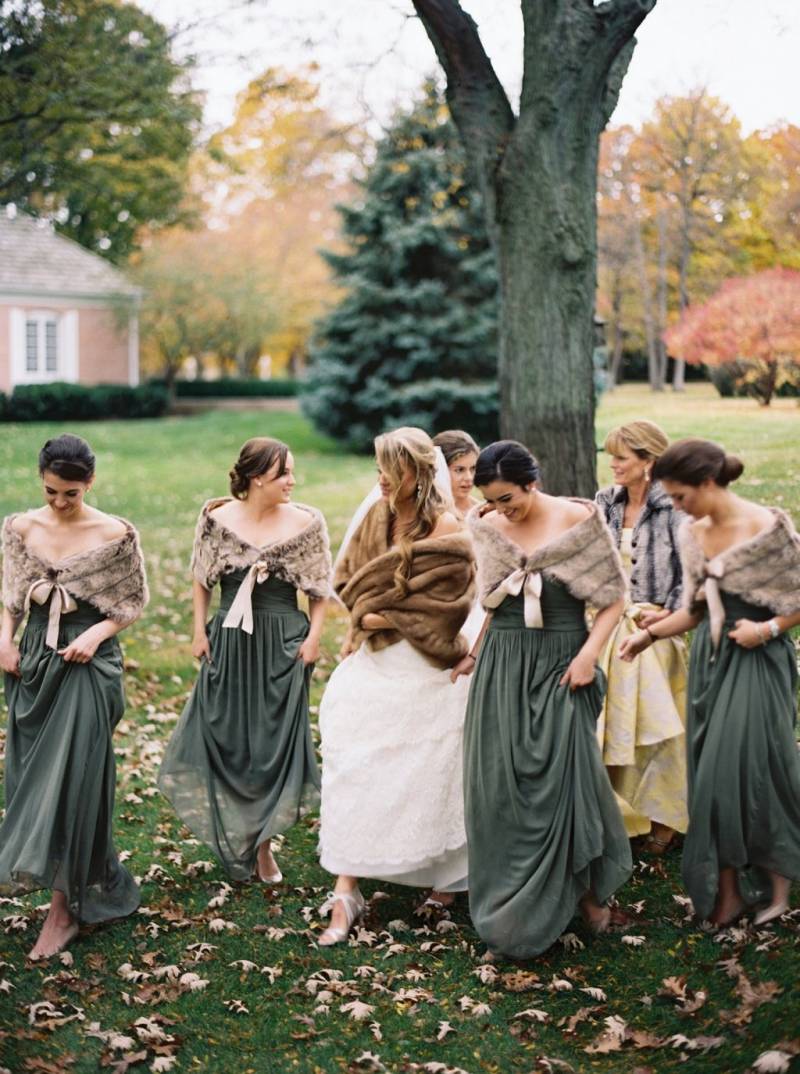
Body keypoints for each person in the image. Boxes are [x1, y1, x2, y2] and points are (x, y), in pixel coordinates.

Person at [454, 440, 632, 959]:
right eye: (492, 499)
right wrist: (475, 653)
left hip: (561, 661)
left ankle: (588, 896)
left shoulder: (580, 521)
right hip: (503, 664)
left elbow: (614, 597)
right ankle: (510, 911)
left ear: (532, 482)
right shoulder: (487, 526)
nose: (501, 509)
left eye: (509, 498)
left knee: (564, 777)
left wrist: (588, 656)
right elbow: (490, 600)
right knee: (500, 785)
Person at [620, 438, 800, 926]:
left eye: (680, 496)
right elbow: (694, 611)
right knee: (707, 779)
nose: (676, 507)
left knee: (753, 771)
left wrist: (766, 629)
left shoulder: (767, 526)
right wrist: (648, 637)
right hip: (712, 662)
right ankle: (728, 894)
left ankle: (777, 885)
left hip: (758, 660)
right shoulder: (692, 532)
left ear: (707, 482)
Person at [317, 427, 475, 945]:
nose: (381, 479)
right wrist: (370, 616)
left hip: (426, 663)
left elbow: (445, 605)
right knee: (357, 762)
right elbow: (352, 582)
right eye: (379, 468)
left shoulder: (448, 525)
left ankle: (441, 877)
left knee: (429, 766)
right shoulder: (375, 516)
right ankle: (346, 889)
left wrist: (385, 615)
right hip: (375, 659)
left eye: (391, 469)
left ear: (416, 473)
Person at [158, 438, 331, 884]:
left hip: (282, 642)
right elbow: (201, 577)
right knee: (232, 738)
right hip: (230, 638)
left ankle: (263, 845)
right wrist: (199, 630)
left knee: (269, 743)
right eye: (284, 474)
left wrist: (313, 638)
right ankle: (243, 834)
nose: (293, 481)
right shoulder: (215, 518)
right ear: (257, 479)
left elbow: (318, 589)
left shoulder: (306, 523)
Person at [0, 434, 147, 959]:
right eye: (51, 491)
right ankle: (85, 878)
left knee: (75, 780)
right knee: (34, 780)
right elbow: (11, 597)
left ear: (89, 484)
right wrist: (4, 639)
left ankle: (63, 913)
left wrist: (95, 634)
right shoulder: (20, 527)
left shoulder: (114, 534)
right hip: (35, 665)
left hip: (88, 665)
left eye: (71, 494)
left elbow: (131, 604)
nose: (60, 503)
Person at [595, 420, 688, 853]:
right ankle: (616, 807)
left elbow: (692, 575)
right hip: (609, 618)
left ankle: (665, 813)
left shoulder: (675, 507)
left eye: (622, 457)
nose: (612, 464)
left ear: (649, 462)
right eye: (611, 455)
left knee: (647, 679)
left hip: (661, 622)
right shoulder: (605, 502)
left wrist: (663, 615)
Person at [432, 430, 480, 518]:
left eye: (473, 469)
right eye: (460, 470)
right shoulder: (431, 516)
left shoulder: (482, 511)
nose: (469, 477)